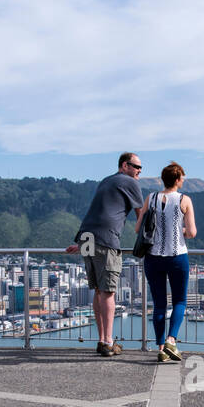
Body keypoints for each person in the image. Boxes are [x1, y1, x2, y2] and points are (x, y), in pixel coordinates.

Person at [67, 153, 144, 357]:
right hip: (105, 239)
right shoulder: (130, 182)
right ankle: (108, 342)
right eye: (136, 166)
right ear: (124, 165)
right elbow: (141, 217)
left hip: (86, 237)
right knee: (108, 290)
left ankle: (102, 339)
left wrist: (79, 243)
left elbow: (97, 211)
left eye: (140, 168)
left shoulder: (106, 181)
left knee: (98, 290)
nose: (139, 171)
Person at [134, 161, 196, 363]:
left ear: (163, 179)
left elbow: (138, 229)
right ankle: (171, 340)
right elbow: (192, 232)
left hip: (153, 257)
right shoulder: (184, 200)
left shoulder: (150, 198)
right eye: (182, 179)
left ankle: (161, 348)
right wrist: (180, 230)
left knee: (159, 304)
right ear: (177, 180)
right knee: (179, 300)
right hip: (177, 256)